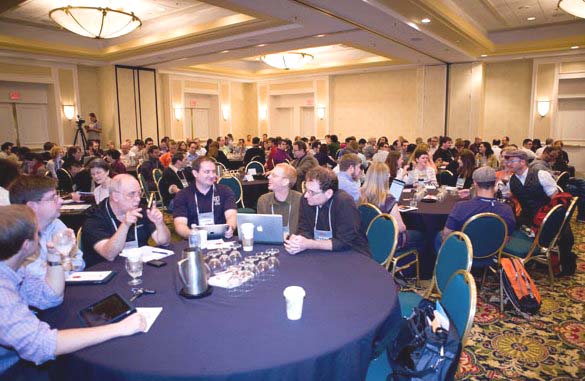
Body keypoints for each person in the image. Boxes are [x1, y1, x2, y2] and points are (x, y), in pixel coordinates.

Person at [0, 205, 146, 377]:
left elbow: (49, 297)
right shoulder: (3, 293)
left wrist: (54, 254)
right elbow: (41, 345)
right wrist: (120, 328)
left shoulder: (13, 269)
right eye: (37, 234)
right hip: (12, 370)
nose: (40, 237)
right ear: (26, 245)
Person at [505, 149, 576, 276]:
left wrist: (547, 218)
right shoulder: (512, 181)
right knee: (507, 223)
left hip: (547, 214)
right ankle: (523, 256)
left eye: (511, 161)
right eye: (507, 161)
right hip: (527, 216)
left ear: (522, 162)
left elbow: (556, 200)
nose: (508, 164)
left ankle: (560, 262)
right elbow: (513, 198)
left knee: (562, 235)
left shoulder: (541, 175)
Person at [81, 174, 170, 267]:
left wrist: (159, 223)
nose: (138, 199)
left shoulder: (141, 210)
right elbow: (109, 255)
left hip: (138, 265)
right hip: (106, 270)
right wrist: (125, 225)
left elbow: (164, 241)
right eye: (131, 194)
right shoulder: (94, 217)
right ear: (115, 196)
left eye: (139, 193)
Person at [9, 175, 85, 277]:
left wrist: (53, 268)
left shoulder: (55, 224)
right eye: (53, 198)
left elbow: (79, 262)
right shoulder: (16, 237)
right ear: (32, 206)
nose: (61, 201)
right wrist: (62, 265)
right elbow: (38, 278)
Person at [285, 166, 370, 256]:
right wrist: (298, 240)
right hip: (320, 253)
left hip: (352, 254)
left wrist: (309, 243)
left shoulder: (344, 202)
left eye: (312, 192)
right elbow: (304, 229)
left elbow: (345, 242)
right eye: (306, 190)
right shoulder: (306, 200)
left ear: (328, 193)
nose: (306, 195)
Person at [436, 167, 516, 250]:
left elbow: (446, 234)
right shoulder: (507, 210)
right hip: (491, 253)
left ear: (475, 183)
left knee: (439, 235)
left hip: (464, 252)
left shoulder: (461, 207)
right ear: (495, 182)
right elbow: (506, 239)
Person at [359, 162, 424, 253]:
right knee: (421, 236)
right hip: (387, 240)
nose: (390, 175)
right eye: (387, 174)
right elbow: (401, 227)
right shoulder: (387, 199)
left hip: (366, 238)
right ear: (384, 178)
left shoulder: (360, 194)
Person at [173, 157, 237, 239]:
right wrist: (191, 234)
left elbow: (231, 215)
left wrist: (230, 227)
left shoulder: (225, 191)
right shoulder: (182, 195)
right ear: (195, 173)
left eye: (213, 171)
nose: (212, 175)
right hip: (194, 242)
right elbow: (180, 224)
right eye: (207, 172)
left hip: (222, 239)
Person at [257, 163, 302, 236]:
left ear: (285, 182)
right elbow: (261, 229)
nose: (269, 177)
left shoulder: (300, 200)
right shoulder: (263, 200)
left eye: (274, 176)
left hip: (295, 244)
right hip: (271, 244)